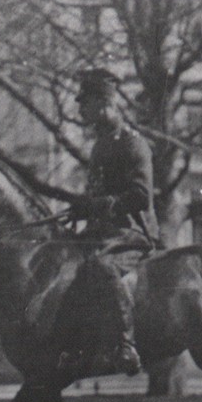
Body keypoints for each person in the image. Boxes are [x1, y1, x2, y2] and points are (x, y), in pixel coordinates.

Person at [64, 68, 160, 376]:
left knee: (103, 266)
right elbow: (97, 193)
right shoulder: (100, 145)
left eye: (85, 102)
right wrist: (81, 209)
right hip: (104, 232)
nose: (80, 109)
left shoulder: (133, 144)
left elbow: (139, 197)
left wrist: (96, 205)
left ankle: (125, 345)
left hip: (132, 233)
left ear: (104, 102)